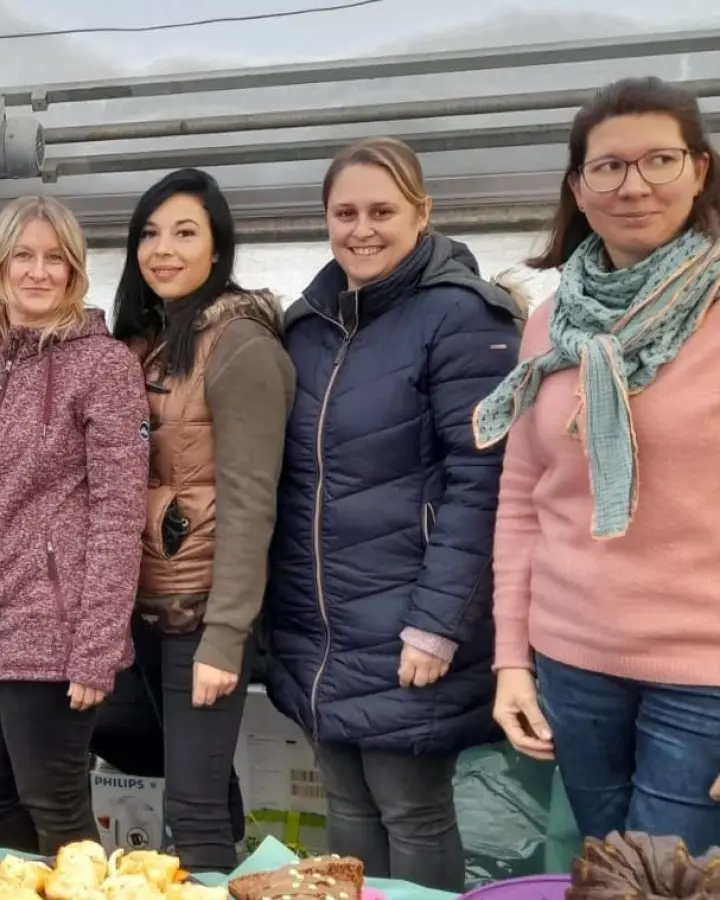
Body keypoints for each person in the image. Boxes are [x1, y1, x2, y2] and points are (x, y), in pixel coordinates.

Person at [265, 138, 522, 891]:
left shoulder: (462, 319)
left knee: (410, 807)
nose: (361, 229)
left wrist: (438, 624)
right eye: (344, 213)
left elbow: (485, 484)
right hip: (322, 622)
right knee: (344, 804)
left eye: (382, 211)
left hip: (409, 619)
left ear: (423, 213)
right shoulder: (308, 327)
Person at [481, 76, 720, 853]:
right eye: (608, 167)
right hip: (573, 660)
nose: (634, 185)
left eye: (659, 160)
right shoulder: (552, 322)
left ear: (700, 171)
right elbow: (522, 498)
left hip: (705, 671)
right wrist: (512, 660)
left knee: (668, 878)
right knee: (604, 869)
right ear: (578, 190)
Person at [0, 195, 150, 855]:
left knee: (52, 798)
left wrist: (97, 646)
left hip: (53, 623)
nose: (39, 271)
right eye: (24, 255)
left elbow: (117, 509)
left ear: (75, 271)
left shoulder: (103, 365)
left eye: (56, 258)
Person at [108, 168, 296, 871]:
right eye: (150, 234)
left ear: (217, 251)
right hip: (147, 609)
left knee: (191, 807)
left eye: (185, 233)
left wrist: (225, 636)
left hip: (201, 613)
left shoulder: (241, 346)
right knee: (203, 788)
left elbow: (251, 501)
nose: (164, 249)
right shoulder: (143, 341)